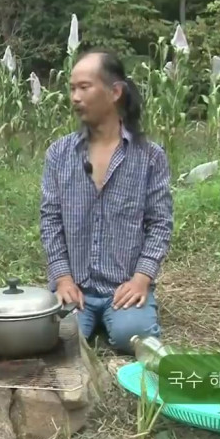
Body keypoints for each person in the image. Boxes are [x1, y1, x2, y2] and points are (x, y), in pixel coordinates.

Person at [39, 50, 173, 354]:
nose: (75, 97)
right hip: (76, 286)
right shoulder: (59, 154)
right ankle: (85, 318)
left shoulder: (149, 157)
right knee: (60, 337)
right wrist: (62, 278)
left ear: (115, 92)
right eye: (72, 88)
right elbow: (50, 221)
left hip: (123, 286)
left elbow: (160, 224)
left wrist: (141, 279)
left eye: (84, 87)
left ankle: (125, 315)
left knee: (133, 336)